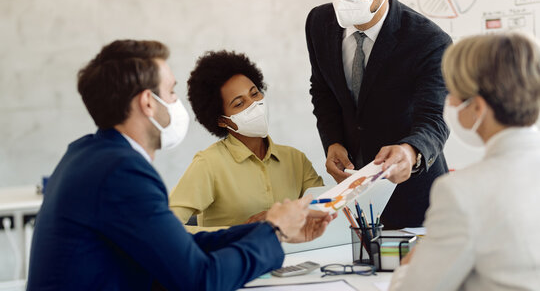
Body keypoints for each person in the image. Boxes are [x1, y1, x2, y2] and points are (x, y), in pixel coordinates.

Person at [27, 40, 334, 291]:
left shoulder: (86, 155)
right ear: (149, 103)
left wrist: (265, 231)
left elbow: (178, 244)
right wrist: (274, 232)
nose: (177, 103)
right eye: (171, 92)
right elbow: (201, 279)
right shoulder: (122, 172)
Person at [305, 0, 452, 228]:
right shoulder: (318, 23)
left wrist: (411, 152)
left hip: (415, 198)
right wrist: (332, 141)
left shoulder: (429, 41)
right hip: (351, 196)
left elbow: (435, 118)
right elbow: (323, 91)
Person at [389, 32, 540, 290]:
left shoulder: (462, 192)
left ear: (478, 108)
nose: (448, 102)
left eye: (453, 93)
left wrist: (409, 266)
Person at [169, 51, 324, 232]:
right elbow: (164, 227)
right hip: (232, 258)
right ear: (222, 120)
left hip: (295, 257)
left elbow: (325, 211)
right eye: (239, 104)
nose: (254, 104)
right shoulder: (209, 164)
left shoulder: (295, 159)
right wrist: (238, 233)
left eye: (254, 93)